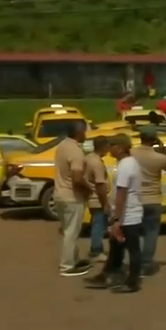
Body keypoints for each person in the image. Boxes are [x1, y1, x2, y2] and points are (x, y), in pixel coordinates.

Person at [85, 134, 144, 293]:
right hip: (127, 214)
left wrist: (116, 219)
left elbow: (121, 194)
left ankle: (132, 282)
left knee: (133, 249)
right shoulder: (129, 163)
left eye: (112, 145)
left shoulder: (126, 166)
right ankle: (108, 275)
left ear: (120, 147)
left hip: (128, 216)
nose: (109, 148)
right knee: (116, 247)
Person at [130, 126, 166, 277]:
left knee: (133, 232)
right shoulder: (159, 158)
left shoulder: (131, 153)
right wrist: (164, 150)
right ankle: (145, 263)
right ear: (154, 140)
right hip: (153, 199)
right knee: (151, 233)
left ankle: (133, 261)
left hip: (135, 198)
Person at [54, 121, 92, 277]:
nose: (86, 135)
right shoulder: (76, 152)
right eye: (84, 132)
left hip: (59, 194)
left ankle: (74, 259)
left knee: (68, 230)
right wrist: (88, 189)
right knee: (71, 233)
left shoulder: (62, 146)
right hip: (72, 197)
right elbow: (77, 178)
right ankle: (67, 266)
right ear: (79, 132)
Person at [85, 135, 111, 262]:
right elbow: (100, 184)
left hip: (92, 197)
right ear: (104, 146)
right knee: (98, 225)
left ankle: (96, 248)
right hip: (97, 198)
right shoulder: (96, 163)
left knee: (97, 224)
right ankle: (96, 250)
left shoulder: (90, 158)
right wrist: (105, 203)